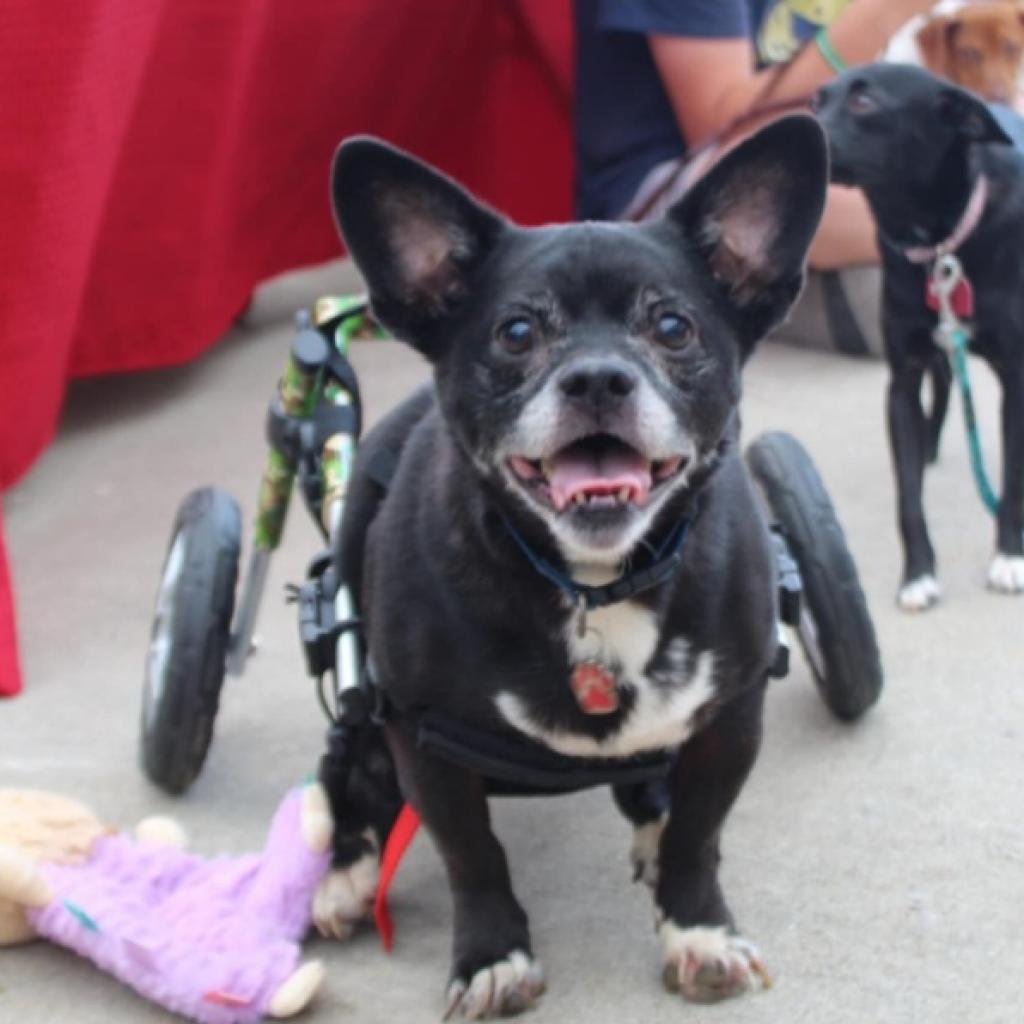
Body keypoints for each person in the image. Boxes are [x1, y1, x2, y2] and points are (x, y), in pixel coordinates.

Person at [574, 0, 946, 355]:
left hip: (804, 161)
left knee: (975, 162)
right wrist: (883, 11)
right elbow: (730, 128)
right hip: (676, 193)